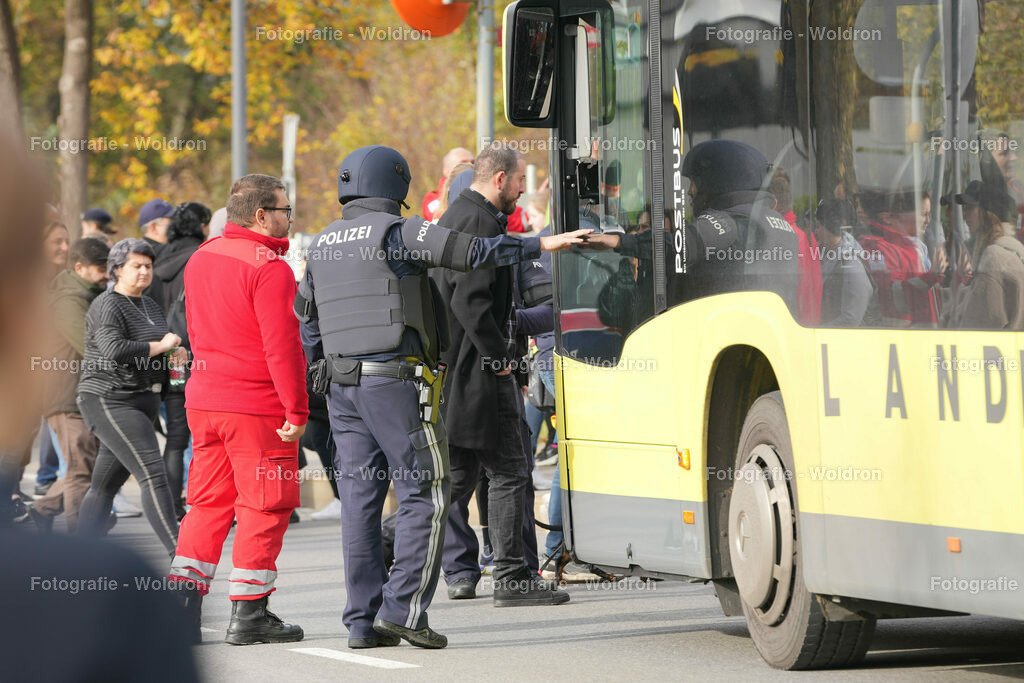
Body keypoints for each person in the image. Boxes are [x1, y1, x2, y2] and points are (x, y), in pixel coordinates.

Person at [298, 145, 586, 648]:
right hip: (394, 382)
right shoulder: (398, 230)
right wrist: (543, 245)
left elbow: (306, 318)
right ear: (396, 184)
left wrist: (320, 375)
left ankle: (362, 624)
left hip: (341, 388)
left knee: (360, 505)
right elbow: (472, 252)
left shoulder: (322, 244)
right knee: (426, 492)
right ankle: (405, 611)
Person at [432, 142, 575, 610]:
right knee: (511, 472)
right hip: (481, 372)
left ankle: (391, 541)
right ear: (499, 180)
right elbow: (470, 303)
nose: (520, 189)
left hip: (463, 372)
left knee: (457, 480)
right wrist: (504, 361)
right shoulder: (476, 220)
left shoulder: (460, 217)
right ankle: (514, 578)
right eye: (518, 181)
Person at [168, 174, 308, 646]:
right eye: (286, 210)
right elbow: (283, 347)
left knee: (207, 504)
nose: (290, 218)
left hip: (204, 401)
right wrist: (297, 407)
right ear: (261, 215)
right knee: (266, 505)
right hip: (255, 406)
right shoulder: (270, 267)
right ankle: (249, 614)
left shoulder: (201, 257)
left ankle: (183, 608)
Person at [75, 238, 183, 555]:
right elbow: (114, 350)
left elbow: (159, 347)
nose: (144, 272)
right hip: (109, 398)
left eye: (148, 266)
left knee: (104, 485)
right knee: (153, 472)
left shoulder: (149, 305)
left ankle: (80, 555)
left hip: (143, 399)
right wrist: (162, 347)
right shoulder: (107, 304)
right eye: (136, 266)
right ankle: (180, 556)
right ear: (117, 270)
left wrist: (175, 354)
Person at [30, 238, 110, 532]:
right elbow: (91, 348)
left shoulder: (86, 294)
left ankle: (42, 509)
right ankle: (82, 542)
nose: (107, 274)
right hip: (66, 397)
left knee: (86, 466)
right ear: (79, 268)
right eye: (101, 268)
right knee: (81, 471)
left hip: (81, 395)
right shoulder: (68, 301)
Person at [150, 201, 211, 519]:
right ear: (201, 224)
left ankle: (172, 506)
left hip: (165, 356)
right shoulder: (201, 258)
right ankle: (204, 507)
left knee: (176, 438)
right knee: (205, 438)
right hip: (196, 357)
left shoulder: (156, 261)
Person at [957, 180, 1024, 329]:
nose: (965, 214)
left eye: (971, 208)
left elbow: (979, 323)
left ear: (989, 213)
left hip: (993, 351)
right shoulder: (1014, 252)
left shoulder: (993, 257)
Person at [770, 168, 822, 325]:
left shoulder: (779, 237)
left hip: (792, 327)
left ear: (774, 203)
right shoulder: (806, 236)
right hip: (807, 327)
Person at [812, 199, 875, 327]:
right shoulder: (827, 256)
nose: (815, 232)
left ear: (830, 227)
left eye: (818, 227)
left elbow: (851, 319)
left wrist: (817, 331)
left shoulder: (851, 264)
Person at [422, 147, 475, 220]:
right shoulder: (433, 199)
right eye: (463, 163)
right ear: (446, 171)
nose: (470, 166)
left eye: (473, 162)